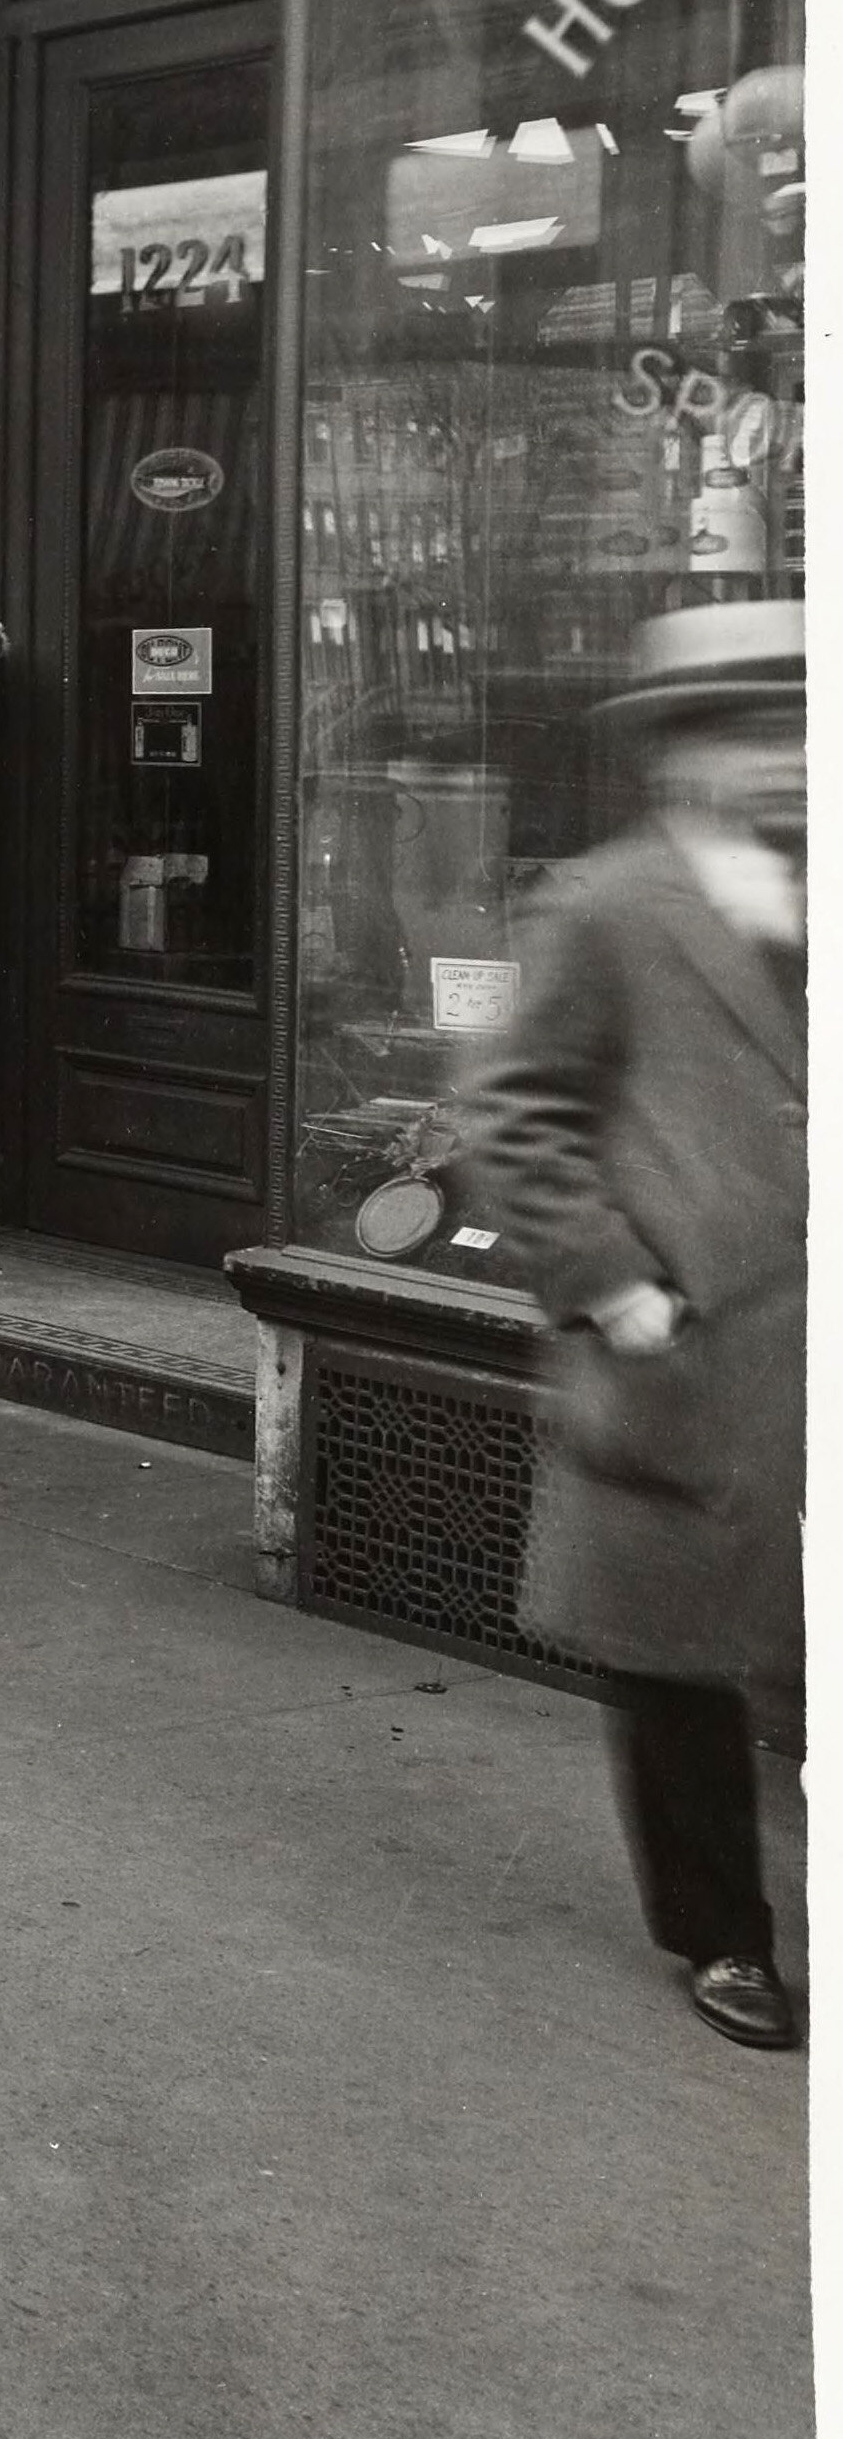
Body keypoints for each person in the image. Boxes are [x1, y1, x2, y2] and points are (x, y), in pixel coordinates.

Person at [455, 597, 806, 2053]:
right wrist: (616, 1282)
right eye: (756, 733)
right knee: (680, 1661)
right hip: (694, 1344)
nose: (790, 760)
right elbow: (513, 1110)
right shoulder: (608, 903)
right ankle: (727, 1935)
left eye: (805, 727)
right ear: (684, 751)